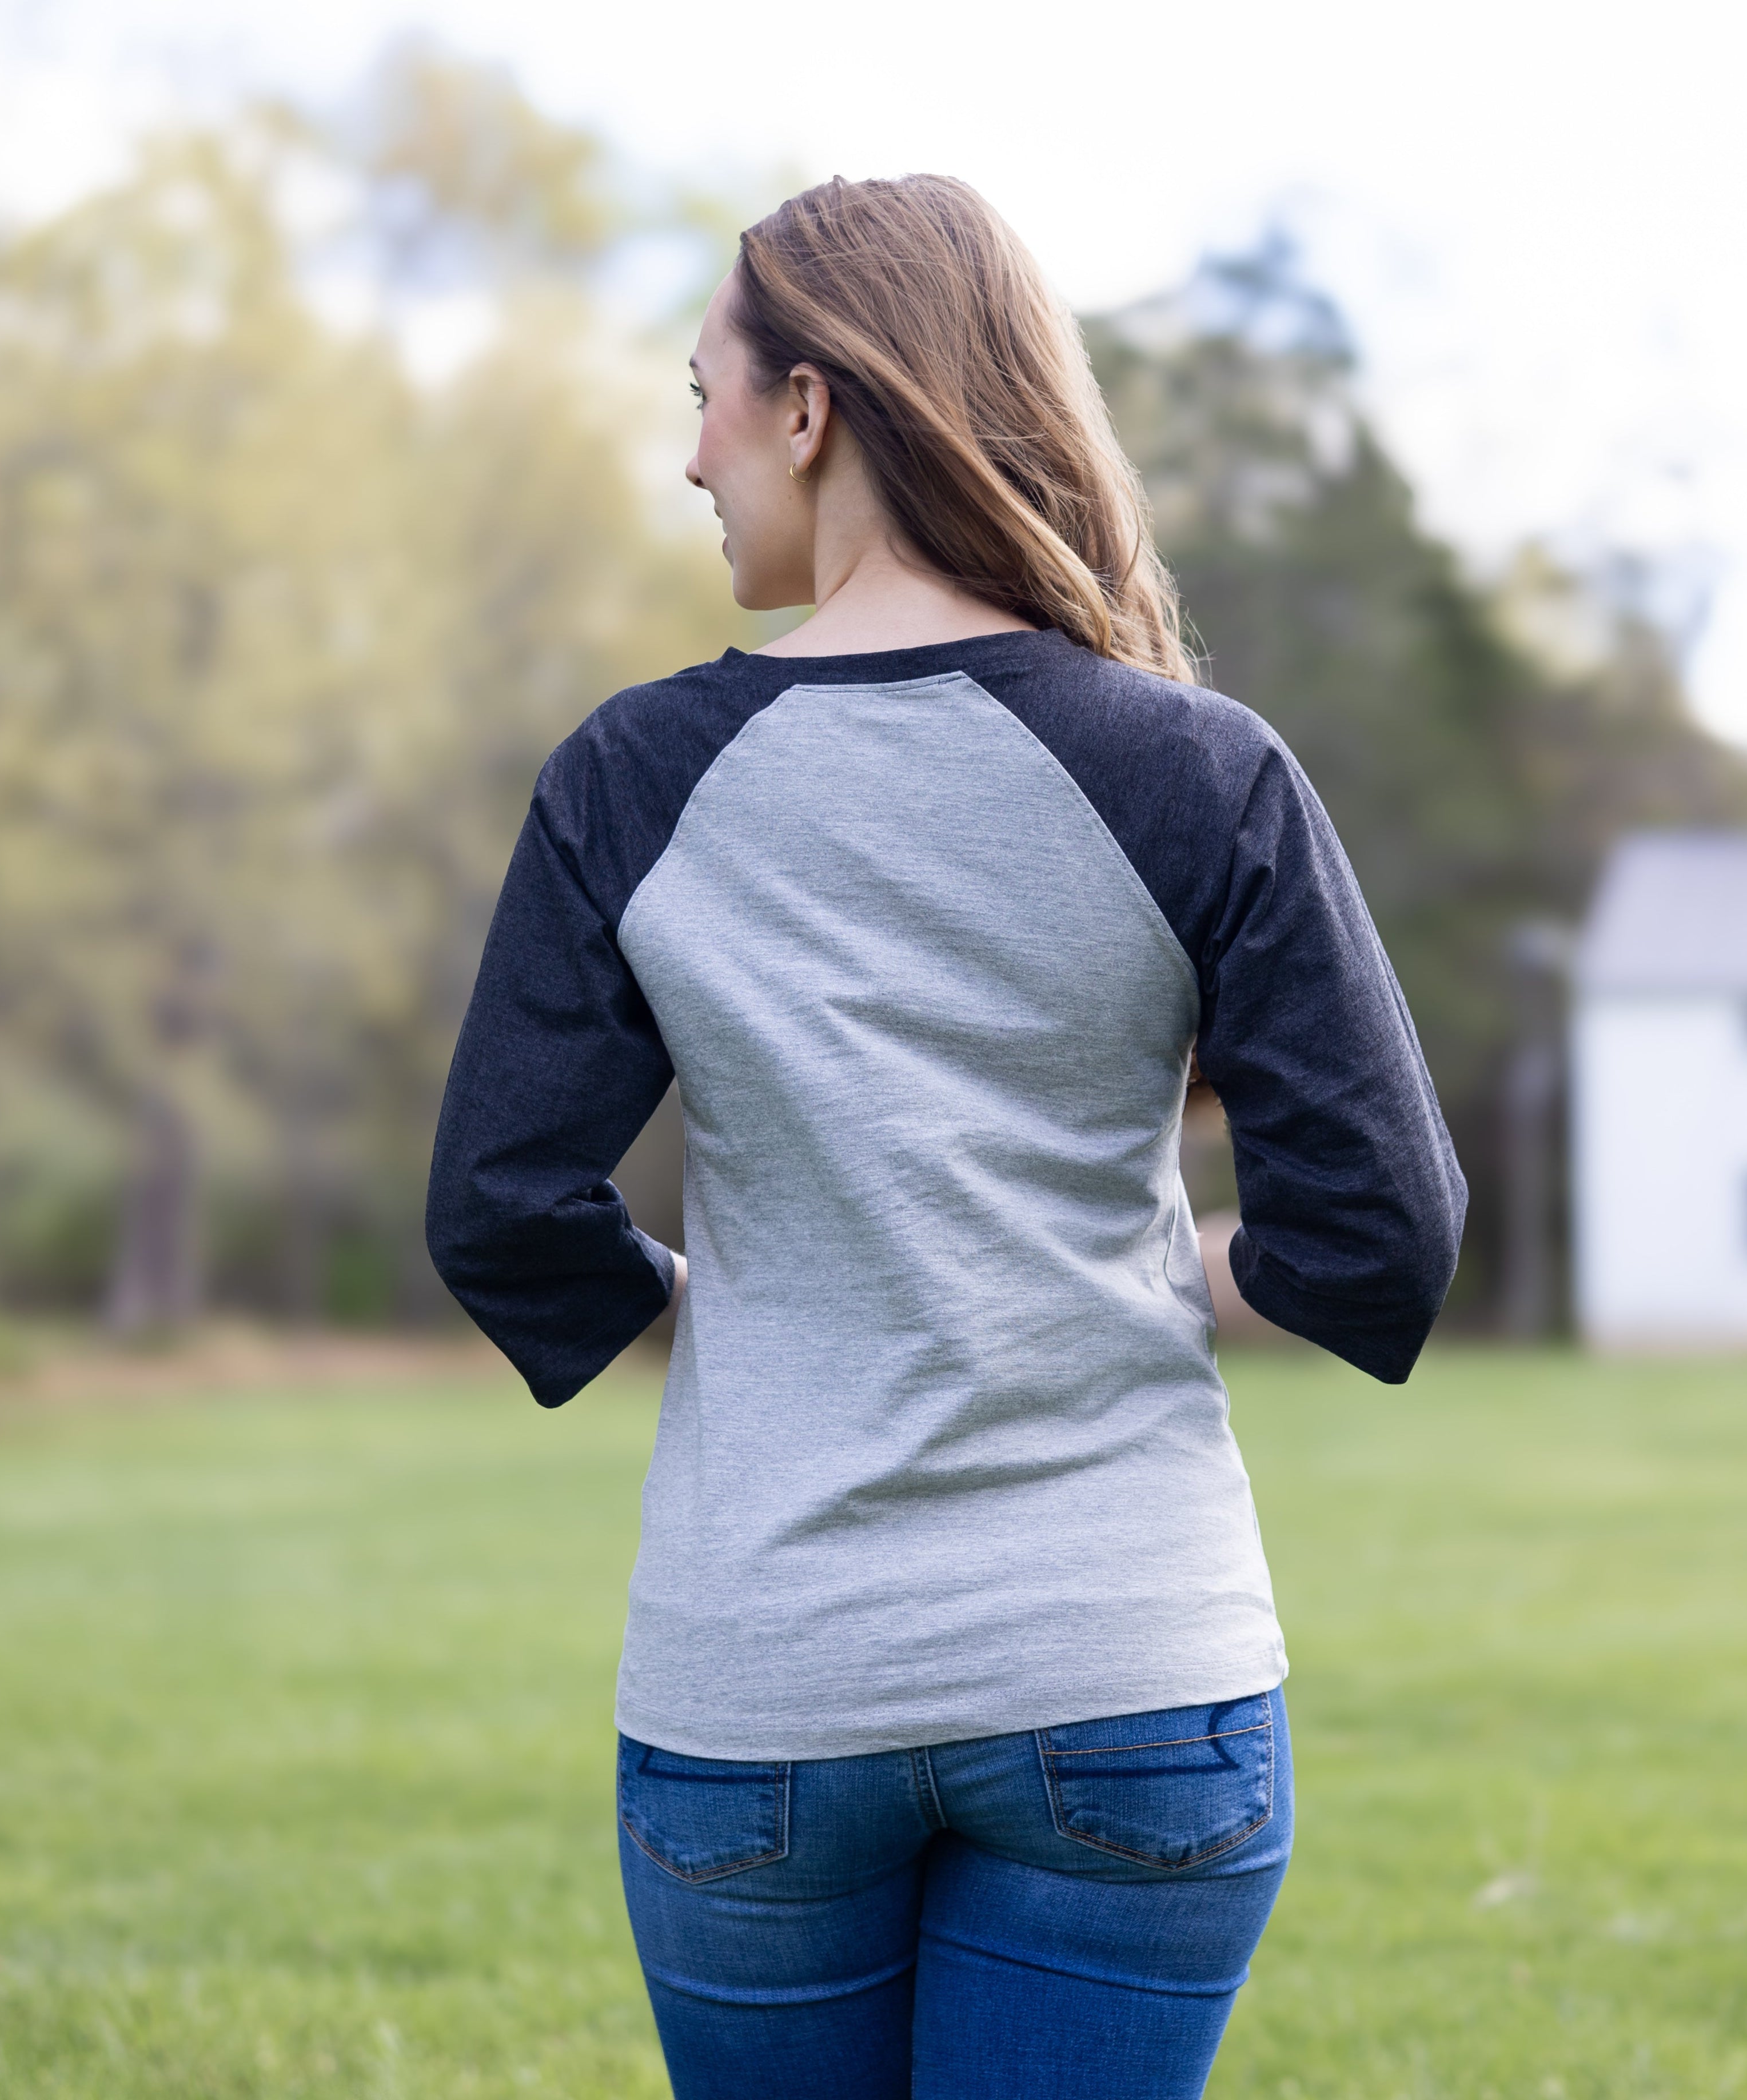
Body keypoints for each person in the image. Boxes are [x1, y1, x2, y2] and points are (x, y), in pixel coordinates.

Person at [426, 173, 1465, 2100]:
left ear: (809, 407)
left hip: (764, 1689)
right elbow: (1379, 1235)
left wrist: (721, 1315)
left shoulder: (633, 777)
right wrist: (1141, 1279)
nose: (692, 457)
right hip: (1132, 1676)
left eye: (704, 398)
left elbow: (500, 1208)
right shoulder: (1198, 767)